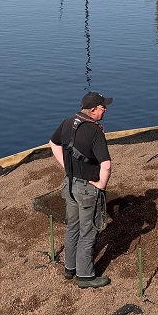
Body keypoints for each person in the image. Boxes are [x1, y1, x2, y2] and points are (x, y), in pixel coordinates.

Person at [48, 92, 114, 289]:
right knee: (88, 231)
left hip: (69, 185)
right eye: (103, 107)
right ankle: (85, 276)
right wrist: (102, 184)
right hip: (86, 189)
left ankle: (70, 268)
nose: (106, 110)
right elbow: (107, 165)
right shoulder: (95, 132)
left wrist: (67, 168)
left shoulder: (69, 122)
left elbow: (53, 143)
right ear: (93, 111)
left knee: (73, 227)